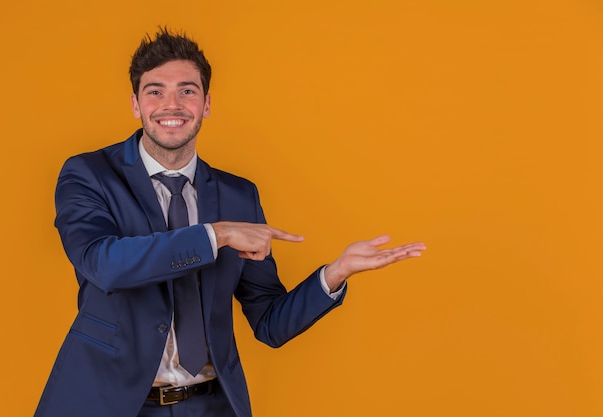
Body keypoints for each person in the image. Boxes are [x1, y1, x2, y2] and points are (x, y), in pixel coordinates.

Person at [34, 28, 426, 417]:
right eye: (155, 91)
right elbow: (105, 265)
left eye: (187, 91)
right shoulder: (90, 174)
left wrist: (334, 274)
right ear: (136, 104)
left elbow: (270, 322)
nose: (172, 105)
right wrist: (216, 234)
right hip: (107, 404)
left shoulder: (238, 195)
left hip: (210, 405)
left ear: (206, 104)